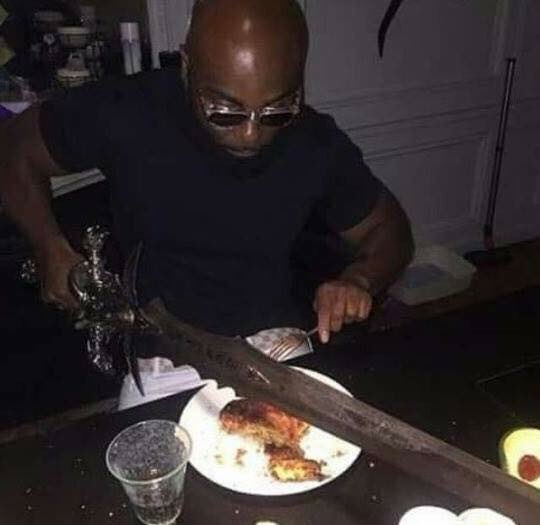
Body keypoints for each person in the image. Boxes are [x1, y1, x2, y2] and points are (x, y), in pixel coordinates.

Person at [0, 0, 413, 350]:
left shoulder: (315, 141)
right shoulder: (128, 111)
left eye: (276, 110)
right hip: (156, 345)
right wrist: (49, 247)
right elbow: (14, 149)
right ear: (187, 67)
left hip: (273, 343)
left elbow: (389, 230)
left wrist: (359, 279)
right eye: (225, 110)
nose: (251, 135)